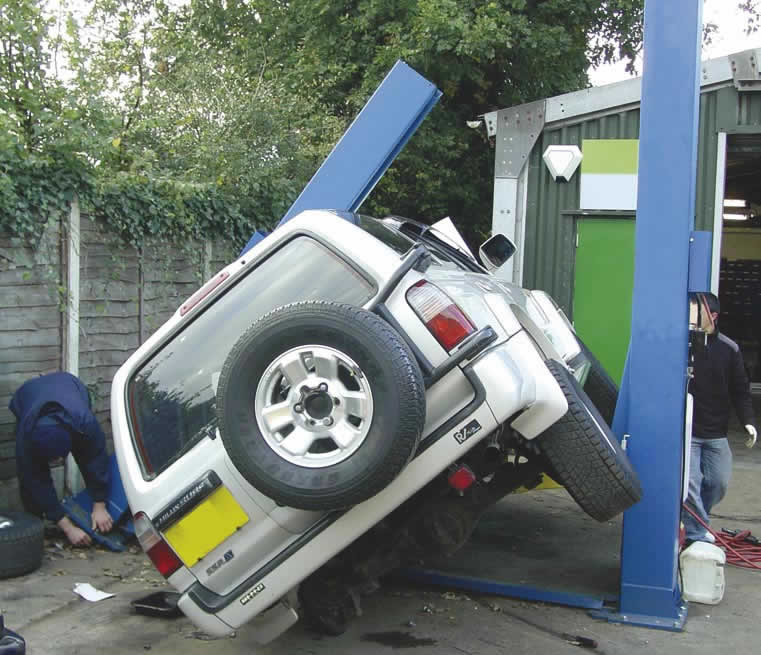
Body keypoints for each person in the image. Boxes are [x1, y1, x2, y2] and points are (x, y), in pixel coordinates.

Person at [683, 292, 757, 545]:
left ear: (712, 316)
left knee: (718, 483)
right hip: (688, 432)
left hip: (716, 432)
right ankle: (697, 534)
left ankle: (693, 518)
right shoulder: (682, 345)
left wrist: (748, 421)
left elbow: (741, 390)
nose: (690, 316)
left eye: (696, 311)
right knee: (690, 482)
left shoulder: (729, 348)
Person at [9, 371, 113, 547]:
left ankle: (95, 508)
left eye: (58, 458)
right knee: (30, 475)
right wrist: (68, 528)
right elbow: (35, 480)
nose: (56, 462)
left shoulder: (84, 424)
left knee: (90, 456)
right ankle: (35, 522)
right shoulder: (26, 438)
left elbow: (96, 459)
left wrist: (99, 505)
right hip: (27, 394)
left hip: (70, 384)